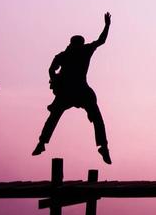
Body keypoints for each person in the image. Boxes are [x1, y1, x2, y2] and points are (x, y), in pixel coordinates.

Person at [33, 12, 112, 163]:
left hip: (75, 91)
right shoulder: (76, 52)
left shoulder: (68, 54)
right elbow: (101, 41)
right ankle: (42, 143)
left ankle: (42, 143)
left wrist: (107, 26)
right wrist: (107, 26)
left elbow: (51, 70)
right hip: (74, 92)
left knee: (56, 116)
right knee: (91, 117)